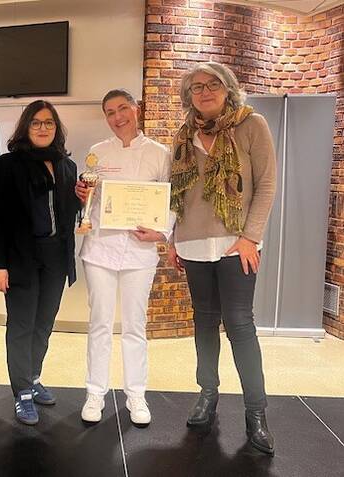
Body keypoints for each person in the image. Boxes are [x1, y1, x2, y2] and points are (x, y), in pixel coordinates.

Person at [167, 61, 276, 455]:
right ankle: (207, 394)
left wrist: (250, 237)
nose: (205, 91)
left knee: (240, 324)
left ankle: (256, 413)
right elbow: (175, 194)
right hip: (193, 245)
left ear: (228, 88)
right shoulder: (183, 135)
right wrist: (172, 239)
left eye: (213, 84)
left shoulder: (251, 125)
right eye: (197, 87)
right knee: (204, 322)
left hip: (236, 244)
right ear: (189, 96)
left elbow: (266, 185)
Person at [75, 89, 172, 426]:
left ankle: (136, 394)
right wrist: (82, 195)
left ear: (136, 109)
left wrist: (161, 233)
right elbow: (90, 199)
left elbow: (171, 202)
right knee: (100, 323)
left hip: (140, 252)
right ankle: (95, 393)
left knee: (134, 325)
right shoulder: (97, 152)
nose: (117, 117)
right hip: (100, 249)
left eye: (122, 109)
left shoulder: (160, 154)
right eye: (110, 112)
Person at [0, 100, 79, 425]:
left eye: (49, 123)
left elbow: (68, 212)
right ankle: (22, 392)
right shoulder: (8, 165)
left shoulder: (67, 166)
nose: (43, 128)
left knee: (43, 324)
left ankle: (34, 376)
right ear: (26, 127)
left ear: (57, 128)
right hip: (21, 258)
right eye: (36, 122)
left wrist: (83, 201)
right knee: (21, 326)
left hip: (56, 257)